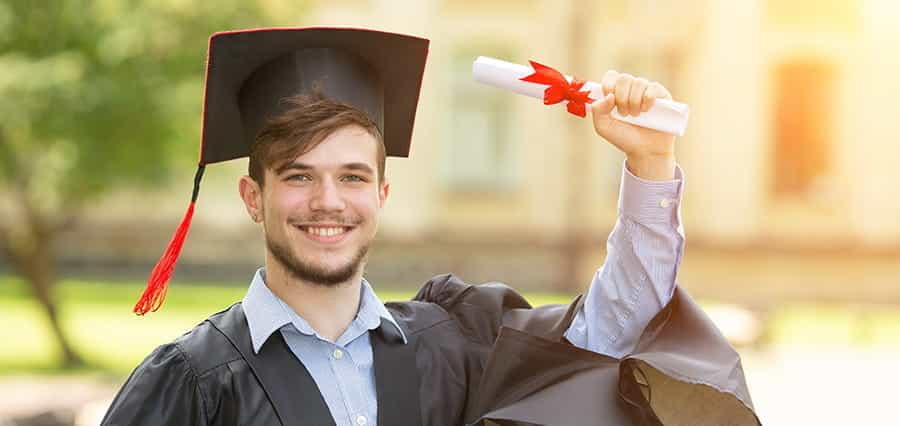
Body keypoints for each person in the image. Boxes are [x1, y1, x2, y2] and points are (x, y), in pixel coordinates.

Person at [102, 27, 758, 426]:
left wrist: (648, 163)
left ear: (381, 194)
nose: (327, 200)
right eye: (299, 176)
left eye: (353, 176)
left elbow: (610, 333)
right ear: (254, 195)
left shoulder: (447, 346)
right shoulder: (192, 382)